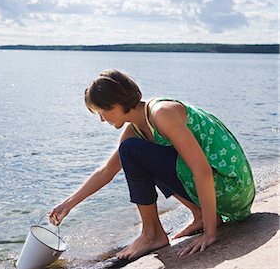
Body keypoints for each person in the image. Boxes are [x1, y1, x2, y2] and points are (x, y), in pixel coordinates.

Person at [49, 69, 255, 260]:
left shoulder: (161, 113)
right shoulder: (137, 129)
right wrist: (67, 205)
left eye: (103, 111)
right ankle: (199, 215)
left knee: (132, 151)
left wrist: (210, 235)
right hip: (222, 189)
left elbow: (201, 170)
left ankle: (152, 234)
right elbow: (106, 172)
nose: (102, 120)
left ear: (118, 103)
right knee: (137, 152)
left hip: (231, 187)